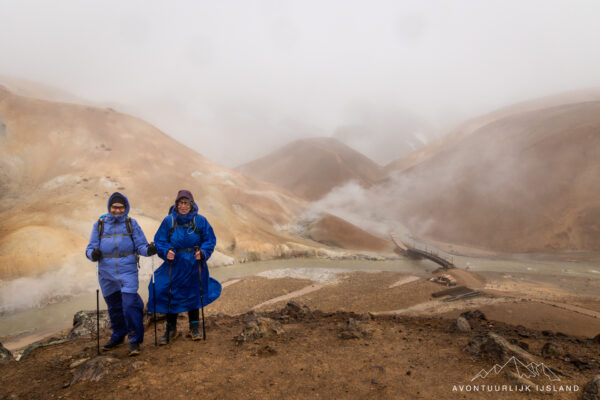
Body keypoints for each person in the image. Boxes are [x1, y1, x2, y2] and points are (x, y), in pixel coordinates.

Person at [86, 192, 157, 356]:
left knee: (130, 305)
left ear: (125, 208)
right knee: (114, 307)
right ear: (109, 207)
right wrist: (93, 255)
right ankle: (118, 336)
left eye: (121, 207)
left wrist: (149, 250)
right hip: (106, 273)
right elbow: (89, 249)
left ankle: (134, 341)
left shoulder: (131, 223)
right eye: (114, 207)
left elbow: (141, 246)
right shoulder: (99, 225)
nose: (117, 210)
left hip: (127, 271)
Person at [147, 189, 221, 344]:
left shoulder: (200, 221)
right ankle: (170, 330)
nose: (183, 206)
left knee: (194, 293)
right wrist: (166, 251)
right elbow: (160, 240)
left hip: (194, 262)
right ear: (176, 204)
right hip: (174, 263)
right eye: (180, 203)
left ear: (191, 204)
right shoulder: (169, 221)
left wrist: (203, 252)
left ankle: (194, 328)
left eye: (186, 203)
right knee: (169, 292)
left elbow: (210, 239)